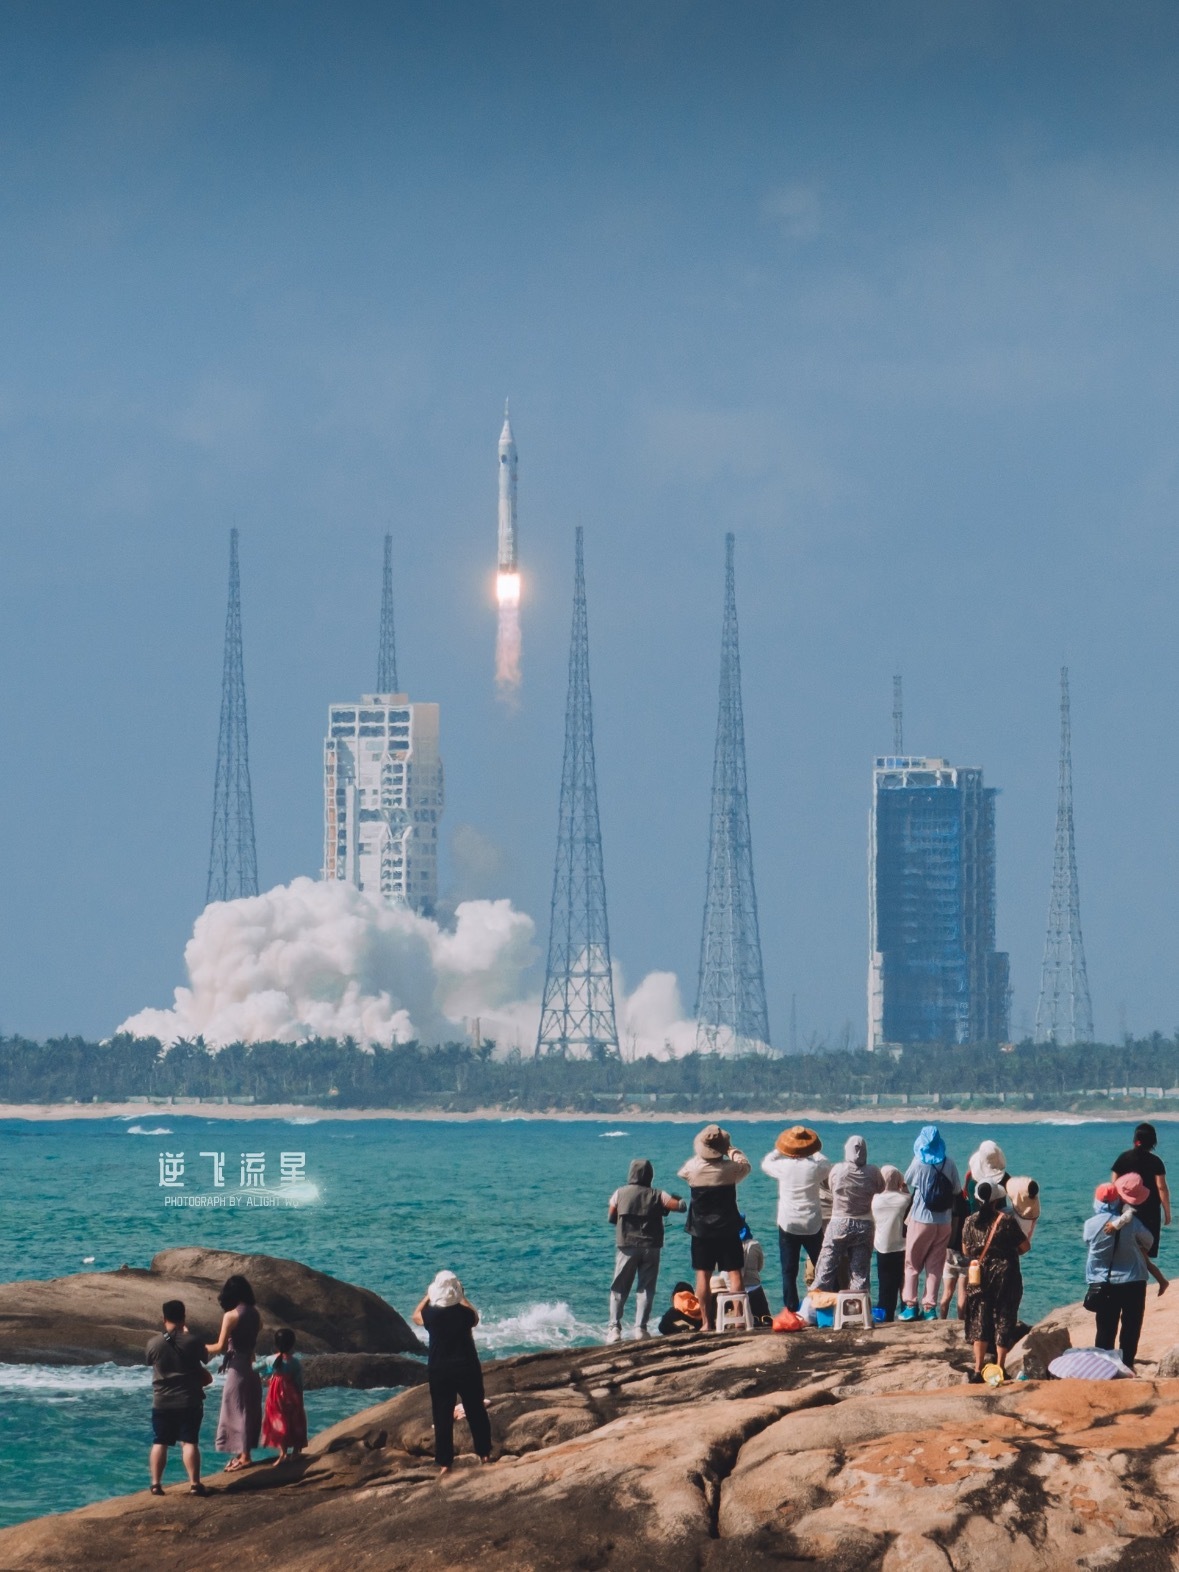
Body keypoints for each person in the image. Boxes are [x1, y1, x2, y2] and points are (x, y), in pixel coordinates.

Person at [412, 1271, 492, 1475]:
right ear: (456, 1291)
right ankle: (484, 1453)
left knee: (442, 1415)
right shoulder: (464, 1314)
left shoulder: (431, 1314)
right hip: (467, 1366)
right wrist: (462, 1297)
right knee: (476, 1410)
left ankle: (445, 1462)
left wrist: (429, 1296)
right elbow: (475, 1318)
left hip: (440, 1369)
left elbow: (415, 1316)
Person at [678, 1124, 752, 1331]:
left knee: (703, 1275)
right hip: (728, 1227)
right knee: (735, 1273)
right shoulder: (731, 1170)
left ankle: (706, 1322)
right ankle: (738, 1319)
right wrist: (731, 1150)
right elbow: (746, 1165)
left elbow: (682, 1172)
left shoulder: (693, 1169)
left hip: (701, 1230)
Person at [605, 1159, 686, 1343]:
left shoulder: (619, 1193)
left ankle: (614, 1329)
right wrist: (678, 1198)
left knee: (619, 1288)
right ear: (650, 1175)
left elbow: (611, 1217)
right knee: (646, 1289)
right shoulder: (658, 1194)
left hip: (626, 1246)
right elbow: (681, 1207)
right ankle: (640, 1328)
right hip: (651, 1246)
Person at [961, 1180, 1029, 1382]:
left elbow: (966, 1250)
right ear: (996, 1200)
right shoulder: (1006, 1220)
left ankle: (977, 1368)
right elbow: (1024, 1247)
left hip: (978, 1275)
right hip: (1004, 1275)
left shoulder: (969, 1221)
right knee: (1004, 1317)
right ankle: (999, 1367)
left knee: (979, 1318)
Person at [1084, 1179, 1153, 1369]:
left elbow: (1089, 1243)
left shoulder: (1090, 1224)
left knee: (1105, 1327)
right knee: (1131, 1327)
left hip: (1105, 1283)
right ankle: (1127, 1364)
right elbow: (1149, 1241)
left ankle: (1104, 1367)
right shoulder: (1132, 1222)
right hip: (1133, 1280)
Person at [761, 1125, 831, 1311]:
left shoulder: (783, 1166)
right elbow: (825, 1162)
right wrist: (814, 1152)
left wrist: (781, 1149)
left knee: (788, 1270)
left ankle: (791, 1310)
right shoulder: (815, 1168)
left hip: (788, 1223)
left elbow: (766, 1162)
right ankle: (827, 1305)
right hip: (812, 1223)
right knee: (822, 1265)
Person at [146, 1300, 210, 1497]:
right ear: (184, 1317)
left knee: (160, 1442)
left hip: (162, 1400)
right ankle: (194, 1484)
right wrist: (188, 1334)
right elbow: (205, 1358)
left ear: (164, 1318)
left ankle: (156, 1485)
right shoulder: (193, 1341)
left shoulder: (153, 1343)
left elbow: (150, 1361)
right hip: (189, 1399)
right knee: (189, 1442)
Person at [900, 1125, 962, 1321]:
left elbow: (907, 1180)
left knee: (912, 1263)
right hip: (943, 1221)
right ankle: (929, 1309)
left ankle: (910, 1305)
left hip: (921, 1218)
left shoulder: (919, 1162)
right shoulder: (949, 1163)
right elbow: (956, 1190)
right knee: (935, 1265)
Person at [205, 1273, 263, 1472]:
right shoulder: (256, 1314)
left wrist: (197, 1347)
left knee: (236, 1410)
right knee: (248, 1409)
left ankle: (245, 1457)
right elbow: (253, 1341)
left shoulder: (231, 1316)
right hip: (251, 1366)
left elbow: (220, 1346)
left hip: (237, 1368)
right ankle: (242, 1453)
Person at [813, 1135, 884, 1294]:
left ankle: (818, 1307)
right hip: (864, 1223)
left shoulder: (838, 1169)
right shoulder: (873, 1171)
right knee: (859, 1273)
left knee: (826, 1268)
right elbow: (880, 1188)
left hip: (839, 1222)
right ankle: (857, 1309)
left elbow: (831, 1187)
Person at [1112, 1123, 1170, 1259]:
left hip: (1125, 1208)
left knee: (1125, 1247)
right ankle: (1141, 1278)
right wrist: (1167, 1212)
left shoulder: (1123, 1158)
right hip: (1150, 1211)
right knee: (1145, 1248)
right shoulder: (1156, 1162)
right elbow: (1161, 1187)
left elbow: (1114, 1184)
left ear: (1135, 1139)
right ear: (1153, 1141)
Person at [258, 1328, 307, 1464]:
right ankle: (296, 1452)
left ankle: (283, 1453)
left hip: (275, 1396)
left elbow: (255, 1368)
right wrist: (300, 1397)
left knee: (279, 1422)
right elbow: (298, 1382)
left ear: (276, 1344)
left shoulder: (269, 1359)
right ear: (292, 1345)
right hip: (291, 1395)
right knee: (295, 1420)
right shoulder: (294, 1362)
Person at [872, 1166, 909, 1322]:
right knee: (904, 1282)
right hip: (903, 1247)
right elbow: (910, 1201)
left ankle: (886, 1315)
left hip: (883, 1247)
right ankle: (907, 1311)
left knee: (885, 1284)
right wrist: (905, 1188)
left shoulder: (876, 1200)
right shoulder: (905, 1199)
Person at [937, 1186, 971, 1320]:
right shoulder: (968, 1214)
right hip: (964, 1257)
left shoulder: (949, 1214)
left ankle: (942, 1319)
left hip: (949, 1256)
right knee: (962, 1293)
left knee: (947, 1292)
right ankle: (960, 1321)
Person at [739, 1218, 771, 1323]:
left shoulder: (727, 1244)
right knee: (765, 1317)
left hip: (733, 1291)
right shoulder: (755, 1245)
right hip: (754, 1289)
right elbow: (759, 1267)